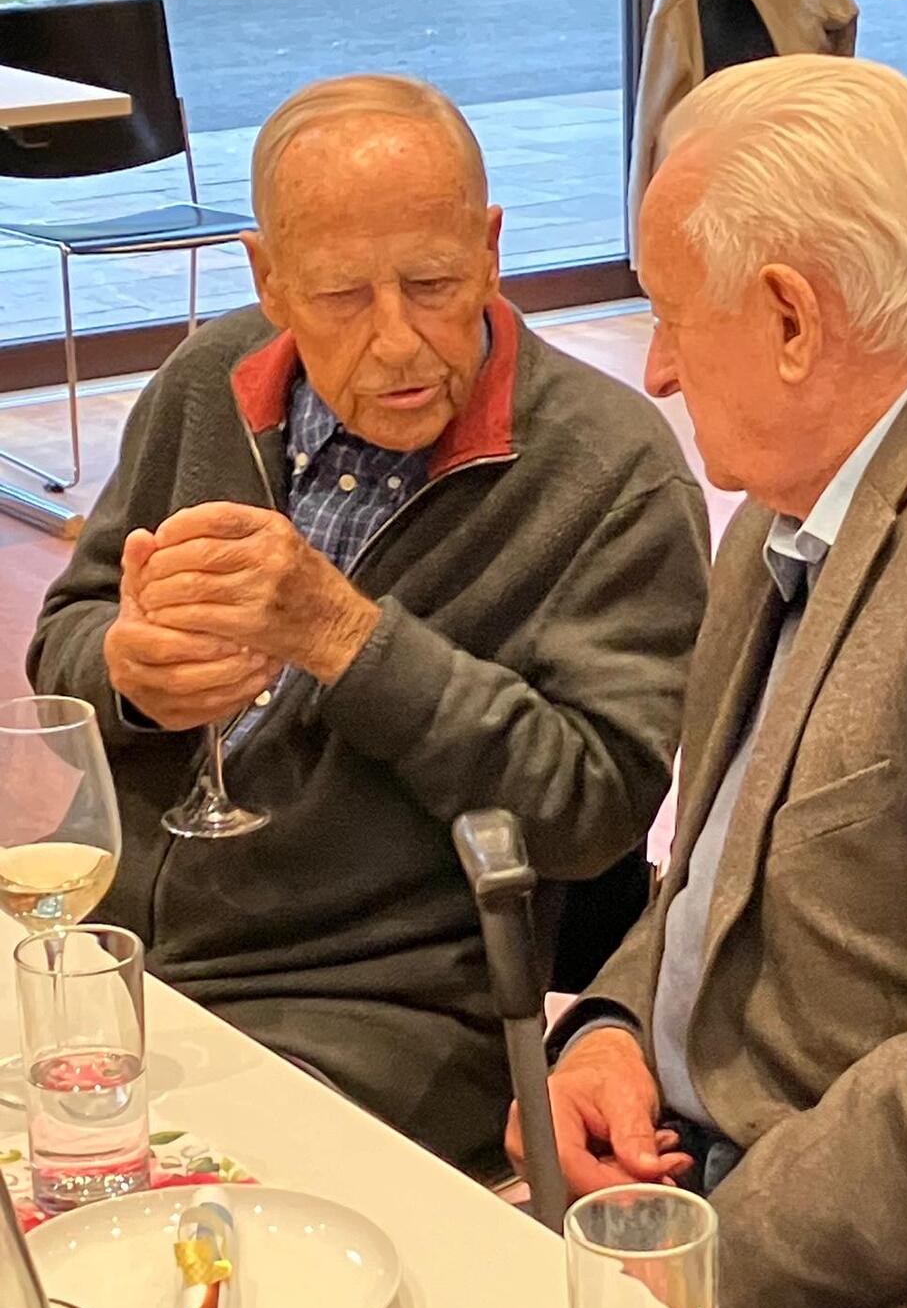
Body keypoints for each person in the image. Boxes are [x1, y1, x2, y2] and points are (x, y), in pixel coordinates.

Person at [508, 55, 907, 1308]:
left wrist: (704, 1263)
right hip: (733, 1168)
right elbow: (715, 879)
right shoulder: (792, 504)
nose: (656, 369)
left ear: (791, 317)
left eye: (672, 316)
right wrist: (606, 1030)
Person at [28, 75, 709, 1180]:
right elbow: (71, 628)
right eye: (343, 295)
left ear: (489, 250)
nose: (398, 341)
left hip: (374, 1012)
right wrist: (125, 674)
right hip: (105, 952)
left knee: (129, 1210)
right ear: (269, 278)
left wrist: (350, 641)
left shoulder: (611, 472)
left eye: (433, 284)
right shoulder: (209, 382)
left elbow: (592, 810)